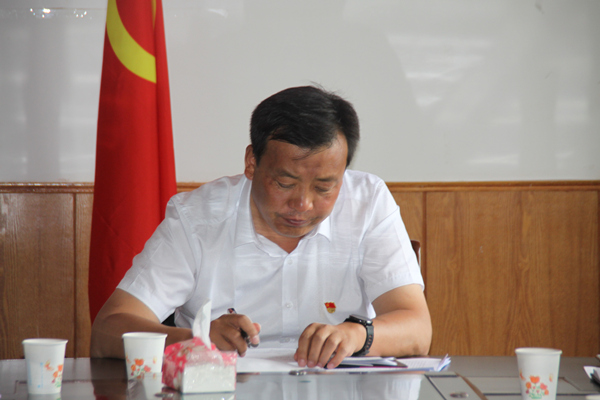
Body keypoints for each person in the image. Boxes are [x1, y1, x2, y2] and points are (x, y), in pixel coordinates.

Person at [90, 85, 432, 369]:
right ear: (252, 163)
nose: (303, 204)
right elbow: (108, 330)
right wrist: (196, 340)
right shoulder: (197, 219)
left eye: (324, 187)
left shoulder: (368, 203)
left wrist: (357, 336)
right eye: (285, 183)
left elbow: (417, 329)